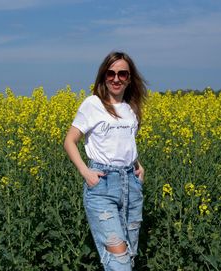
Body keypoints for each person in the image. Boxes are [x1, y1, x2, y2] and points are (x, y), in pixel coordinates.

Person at [64, 51, 147, 270]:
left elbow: (124, 143)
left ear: (130, 78)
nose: (116, 78)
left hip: (132, 184)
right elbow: (69, 141)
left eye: (122, 74)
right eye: (111, 73)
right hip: (103, 186)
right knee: (119, 261)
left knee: (129, 256)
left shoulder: (132, 108)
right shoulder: (92, 104)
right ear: (103, 76)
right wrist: (86, 172)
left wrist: (138, 165)